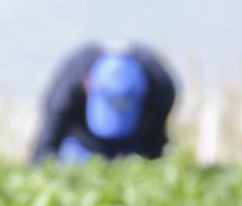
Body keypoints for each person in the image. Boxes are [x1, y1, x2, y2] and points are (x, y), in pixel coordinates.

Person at [32, 43, 177, 164]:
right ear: (87, 84)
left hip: (134, 142)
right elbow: (48, 140)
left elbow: (157, 139)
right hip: (83, 142)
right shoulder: (67, 87)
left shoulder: (161, 87)